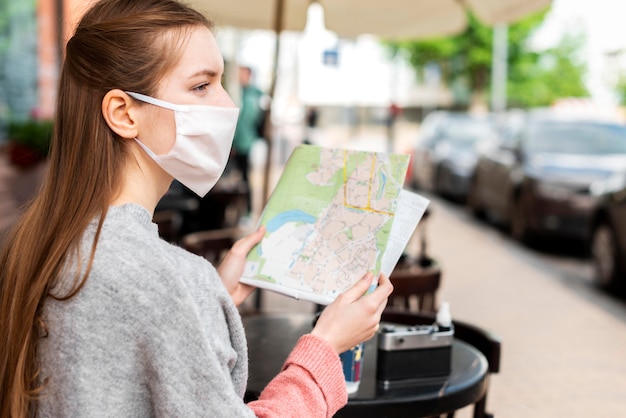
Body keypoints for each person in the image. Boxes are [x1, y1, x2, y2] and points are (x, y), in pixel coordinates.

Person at [0, 1, 393, 417]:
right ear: (123, 113)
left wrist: (211, 300)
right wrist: (325, 346)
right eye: (201, 86)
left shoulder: (36, 240)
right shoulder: (166, 277)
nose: (227, 106)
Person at [231, 65, 264, 215]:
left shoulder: (251, 97)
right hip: (243, 143)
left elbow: (244, 123)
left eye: (242, 74)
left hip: (244, 144)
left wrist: (236, 143)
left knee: (244, 178)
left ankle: (247, 211)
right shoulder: (245, 94)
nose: (239, 77)